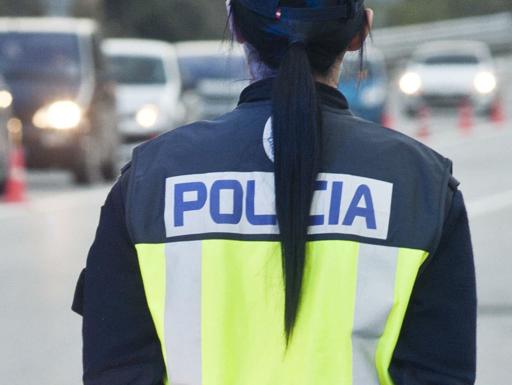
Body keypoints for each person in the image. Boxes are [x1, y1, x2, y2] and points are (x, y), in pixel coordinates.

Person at [72, 1, 477, 384]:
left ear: (235, 25)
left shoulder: (149, 182)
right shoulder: (421, 186)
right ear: (361, 31)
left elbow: (116, 371)